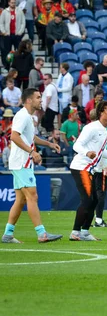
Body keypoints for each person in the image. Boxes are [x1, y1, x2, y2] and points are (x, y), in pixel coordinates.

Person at [1, 88, 63, 244]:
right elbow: (14, 136)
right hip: (22, 162)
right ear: (29, 100)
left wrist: (49, 143)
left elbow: (31, 136)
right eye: (38, 97)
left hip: (20, 162)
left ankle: (8, 234)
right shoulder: (22, 116)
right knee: (33, 196)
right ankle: (42, 234)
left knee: (20, 200)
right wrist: (32, 152)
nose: (40, 100)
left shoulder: (27, 117)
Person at [69, 102, 107, 241]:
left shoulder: (104, 130)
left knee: (95, 200)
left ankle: (85, 232)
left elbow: (102, 151)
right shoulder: (92, 128)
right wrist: (87, 152)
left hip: (91, 169)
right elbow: (77, 145)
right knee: (88, 200)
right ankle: (75, 232)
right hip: (81, 167)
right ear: (101, 112)